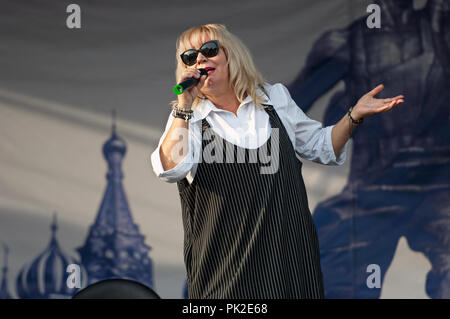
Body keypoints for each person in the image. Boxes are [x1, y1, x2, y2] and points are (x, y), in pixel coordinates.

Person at [150, 23, 403, 299]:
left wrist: (353, 115)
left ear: (231, 55)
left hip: (289, 268)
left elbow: (322, 147)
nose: (199, 59)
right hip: (225, 276)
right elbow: (171, 169)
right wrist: (183, 107)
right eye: (189, 56)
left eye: (209, 50)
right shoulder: (190, 120)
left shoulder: (273, 99)